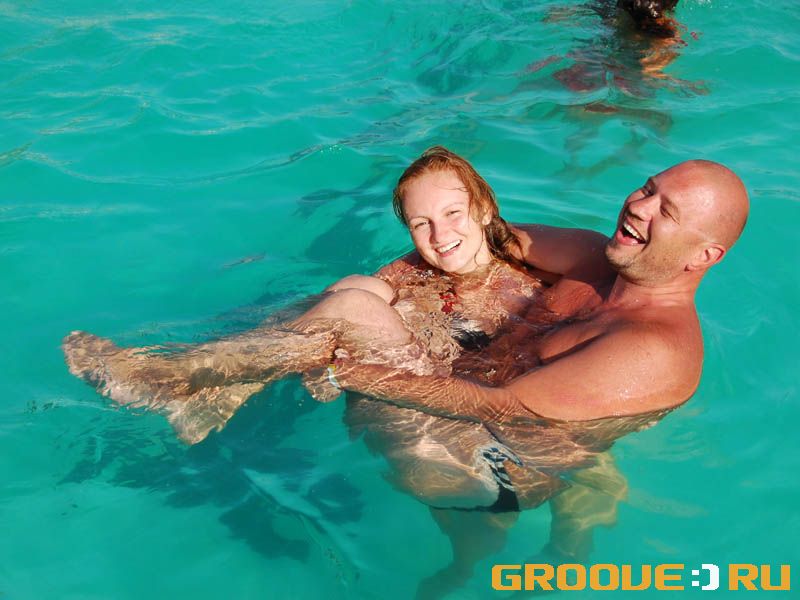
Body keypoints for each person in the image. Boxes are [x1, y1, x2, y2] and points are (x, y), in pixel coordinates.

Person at [63, 146, 549, 445]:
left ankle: (177, 378)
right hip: (399, 372)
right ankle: (220, 390)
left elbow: (507, 374)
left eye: (453, 214)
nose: (440, 235)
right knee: (351, 290)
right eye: (422, 223)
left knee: (354, 306)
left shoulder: (522, 282)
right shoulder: (418, 270)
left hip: (454, 406)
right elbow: (346, 298)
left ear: (484, 209)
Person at [331, 159, 750, 424]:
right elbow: (476, 235)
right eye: (648, 189)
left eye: (666, 212)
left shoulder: (652, 350)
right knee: (358, 292)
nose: (639, 207)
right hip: (454, 388)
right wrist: (387, 283)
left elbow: (500, 407)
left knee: (352, 306)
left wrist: (343, 373)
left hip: (489, 459)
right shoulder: (594, 257)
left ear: (704, 256)